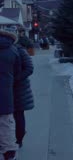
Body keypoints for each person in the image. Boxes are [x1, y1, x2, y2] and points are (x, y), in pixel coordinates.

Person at [0, 27, 22, 160]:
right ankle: (9, 151)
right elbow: (17, 72)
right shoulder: (13, 50)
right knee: (6, 122)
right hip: (6, 91)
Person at [13, 41, 34, 148]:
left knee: (18, 114)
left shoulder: (20, 50)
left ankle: (19, 139)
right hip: (5, 87)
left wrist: (15, 79)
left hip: (19, 89)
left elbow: (29, 68)